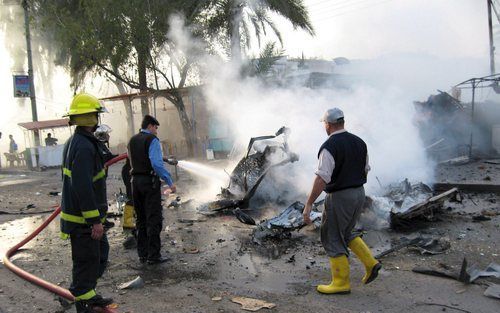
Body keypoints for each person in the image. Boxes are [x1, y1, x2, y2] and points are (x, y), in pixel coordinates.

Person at [303, 108, 381, 295]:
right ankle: (371, 263)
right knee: (346, 231)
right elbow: (366, 169)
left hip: (340, 196)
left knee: (332, 235)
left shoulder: (330, 146)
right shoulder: (359, 142)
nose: (324, 127)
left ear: (328, 124)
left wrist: (309, 204)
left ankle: (340, 283)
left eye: (324, 124)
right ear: (342, 122)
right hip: (359, 193)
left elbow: (322, 178)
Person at [60, 93, 113, 312]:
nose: (98, 119)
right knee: (87, 259)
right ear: (90, 118)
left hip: (87, 218)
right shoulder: (82, 146)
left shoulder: (81, 141)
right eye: (96, 115)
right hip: (82, 220)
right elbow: (82, 186)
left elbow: (98, 164)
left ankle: (87, 292)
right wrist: (94, 221)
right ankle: (83, 302)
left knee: (98, 255)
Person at [128, 115, 176, 265]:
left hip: (135, 183)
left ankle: (143, 254)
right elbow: (156, 163)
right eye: (156, 127)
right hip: (149, 183)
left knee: (141, 220)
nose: (156, 131)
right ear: (150, 126)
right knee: (153, 219)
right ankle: (154, 256)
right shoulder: (152, 140)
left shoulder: (132, 140)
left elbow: (134, 159)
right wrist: (169, 182)